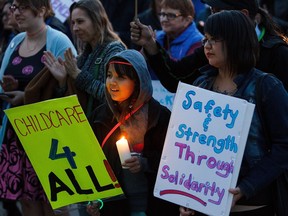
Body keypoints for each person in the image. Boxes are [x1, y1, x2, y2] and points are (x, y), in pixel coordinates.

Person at [176, 10, 288, 216]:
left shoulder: (267, 87)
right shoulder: (200, 85)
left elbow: (284, 146)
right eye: (205, 40)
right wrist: (185, 194)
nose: (206, 46)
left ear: (236, 41)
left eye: (214, 40)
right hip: (205, 205)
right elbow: (190, 147)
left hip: (254, 206)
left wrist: (247, 187)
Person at [0, 0, 77, 215]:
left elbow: (72, 89)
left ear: (42, 10)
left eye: (23, 7)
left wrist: (26, 97)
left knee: (52, 202)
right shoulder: (15, 41)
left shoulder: (59, 40)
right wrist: (9, 87)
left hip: (48, 136)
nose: (16, 13)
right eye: (14, 7)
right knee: (25, 199)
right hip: (16, 134)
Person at [89, 49, 179, 216]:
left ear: (138, 81)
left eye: (121, 77)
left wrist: (145, 163)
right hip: (115, 207)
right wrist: (96, 201)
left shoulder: (159, 116)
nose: (112, 82)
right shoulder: (99, 116)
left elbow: (175, 161)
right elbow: (92, 163)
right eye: (109, 75)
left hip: (154, 205)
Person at [130, 0, 288, 92]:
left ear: (243, 15)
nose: (212, 18)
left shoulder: (278, 54)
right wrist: (151, 44)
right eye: (211, 11)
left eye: (218, 12)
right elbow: (177, 78)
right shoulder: (212, 49)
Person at [43, 0, 126, 119]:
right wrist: (62, 81)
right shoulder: (84, 56)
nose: (75, 28)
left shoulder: (115, 50)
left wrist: (77, 75)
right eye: (73, 23)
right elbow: (73, 101)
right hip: (83, 130)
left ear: (97, 20)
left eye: (80, 22)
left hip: (105, 130)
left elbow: (115, 96)